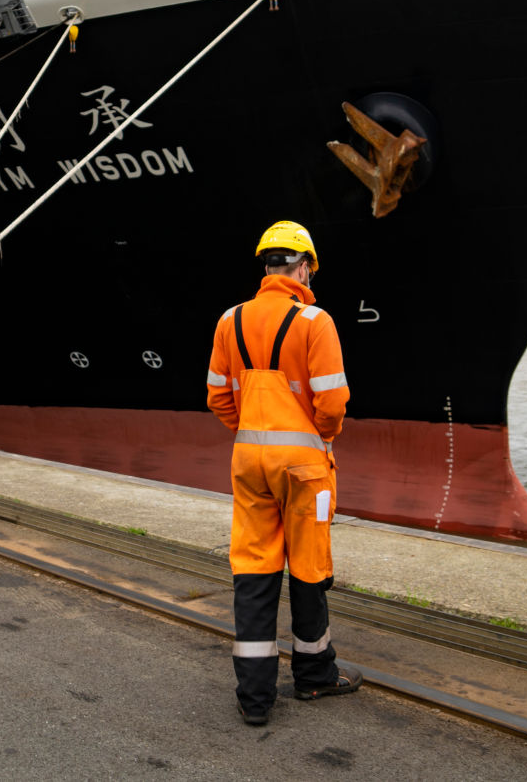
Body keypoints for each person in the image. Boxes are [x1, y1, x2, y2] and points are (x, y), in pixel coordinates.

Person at [205, 220, 362, 726]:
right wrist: (317, 435)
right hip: (303, 467)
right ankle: (314, 677)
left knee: (253, 568)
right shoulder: (315, 321)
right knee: (309, 567)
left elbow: (216, 396)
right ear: (305, 266)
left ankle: (254, 699)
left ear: (265, 265)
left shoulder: (230, 320)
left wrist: (251, 426)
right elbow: (333, 402)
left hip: (248, 461)